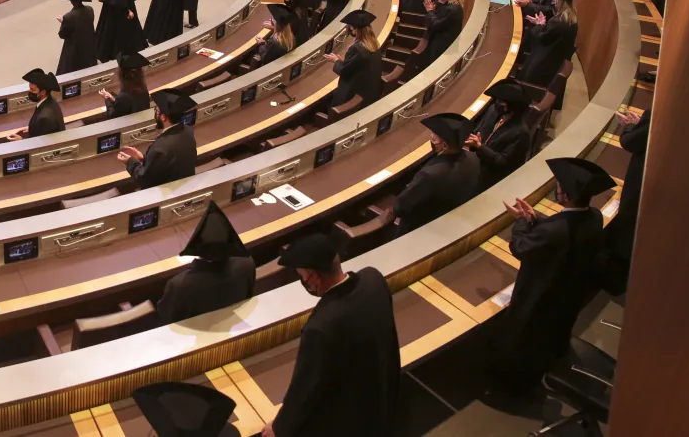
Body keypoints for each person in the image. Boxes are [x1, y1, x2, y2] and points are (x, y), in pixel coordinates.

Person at [262, 234, 400, 437]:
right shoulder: (374, 279)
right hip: (382, 395)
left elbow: (305, 390)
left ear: (315, 278)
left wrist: (279, 428)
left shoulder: (321, 327)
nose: (304, 282)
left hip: (348, 419)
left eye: (304, 277)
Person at [495, 158, 611, 389]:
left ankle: (513, 383)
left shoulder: (553, 232)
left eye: (558, 185)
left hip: (541, 296)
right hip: (569, 293)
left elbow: (520, 248)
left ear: (565, 195)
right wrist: (536, 218)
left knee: (524, 339)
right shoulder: (594, 216)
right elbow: (565, 228)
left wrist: (520, 222)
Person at [156, 202, 256, 323]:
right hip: (231, 321)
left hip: (194, 333)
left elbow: (166, 315)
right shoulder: (247, 263)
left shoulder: (180, 285)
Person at [388, 113, 481, 236]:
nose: (430, 138)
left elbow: (400, 207)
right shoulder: (473, 159)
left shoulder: (430, 174)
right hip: (448, 222)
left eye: (434, 139)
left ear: (445, 145)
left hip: (419, 230)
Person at [603, 109, 650, 293]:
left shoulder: (662, 111)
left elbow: (630, 142)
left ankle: (616, 282)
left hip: (641, 182)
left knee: (627, 226)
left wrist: (630, 126)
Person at [117, 90, 198, 189]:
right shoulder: (188, 130)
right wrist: (143, 158)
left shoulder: (160, 147)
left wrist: (130, 162)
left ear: (163, 117)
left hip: (168, 193)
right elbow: (167, 162)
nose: (155, 112)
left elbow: (144, 179)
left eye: (157, 110)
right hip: (185, 185)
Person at [467, 79, 532, 191]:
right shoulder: (493, 111)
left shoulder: (521, 133)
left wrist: (480, 147)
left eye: (501, 102)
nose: (497, 103)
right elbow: (477, 130)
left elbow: (502, 162)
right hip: (477, 160)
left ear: (512, 107)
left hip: (493, 177)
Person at [517, 0, 578, 87]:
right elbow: (549, 35)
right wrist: (541, 25)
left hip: (541, 67)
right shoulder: (570, 19)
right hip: (552, 62)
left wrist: (539, 25)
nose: (553, 1)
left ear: (558, 0)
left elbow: (542, 38)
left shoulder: (558, 22)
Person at [324, 9, 383, 113]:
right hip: (369, 89)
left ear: (356, 30)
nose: (351, 31)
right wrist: (344, 60)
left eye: (351, 28)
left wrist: (335, 60)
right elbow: (358, 64)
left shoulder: (357, 48)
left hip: (353, 93)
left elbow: (344, 71)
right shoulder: (373, 43)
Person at [410, 0, 465, 75]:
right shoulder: (450, 5)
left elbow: (434, 24)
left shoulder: (453, 9)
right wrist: (438, 4)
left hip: (441, 47)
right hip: (438, 44)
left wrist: (430, 10)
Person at [7, 68, 65, 139]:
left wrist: (20, 140)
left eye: (33, 90)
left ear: (43, 92)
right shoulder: (51, 100)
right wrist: (32, 128)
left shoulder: (45, 118)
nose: (29, 92)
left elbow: (39, 145)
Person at [56, 0, 98, 75]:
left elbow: (62, 34)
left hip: (75, 50)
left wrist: (63, 22)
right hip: (89, 46)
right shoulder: (90, 10)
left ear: (71, 1)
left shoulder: (69, 17)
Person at [100, 52, 151, 120]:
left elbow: (112, 115)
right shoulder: (143, 88)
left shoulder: (124, 96)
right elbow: (128, 105)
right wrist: (113, 98)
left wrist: (107, 99)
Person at [251, 4, 297, 69]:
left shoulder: (276, 42)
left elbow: (265, 59)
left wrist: (261, 44)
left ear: (275, 22)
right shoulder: (290, 37)